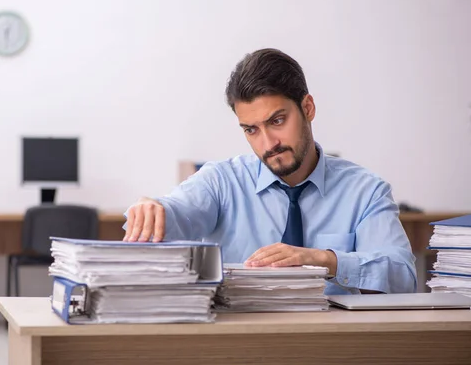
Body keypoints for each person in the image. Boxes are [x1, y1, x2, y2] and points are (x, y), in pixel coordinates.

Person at [123, 48, 417, 294]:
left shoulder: (365, 191)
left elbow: (404, 277)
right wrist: (155, 209)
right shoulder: (221, 182)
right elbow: (178, 212)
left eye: (277, 121)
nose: (268, 144)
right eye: (251, 130)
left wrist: (324, 260)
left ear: (308, 108)